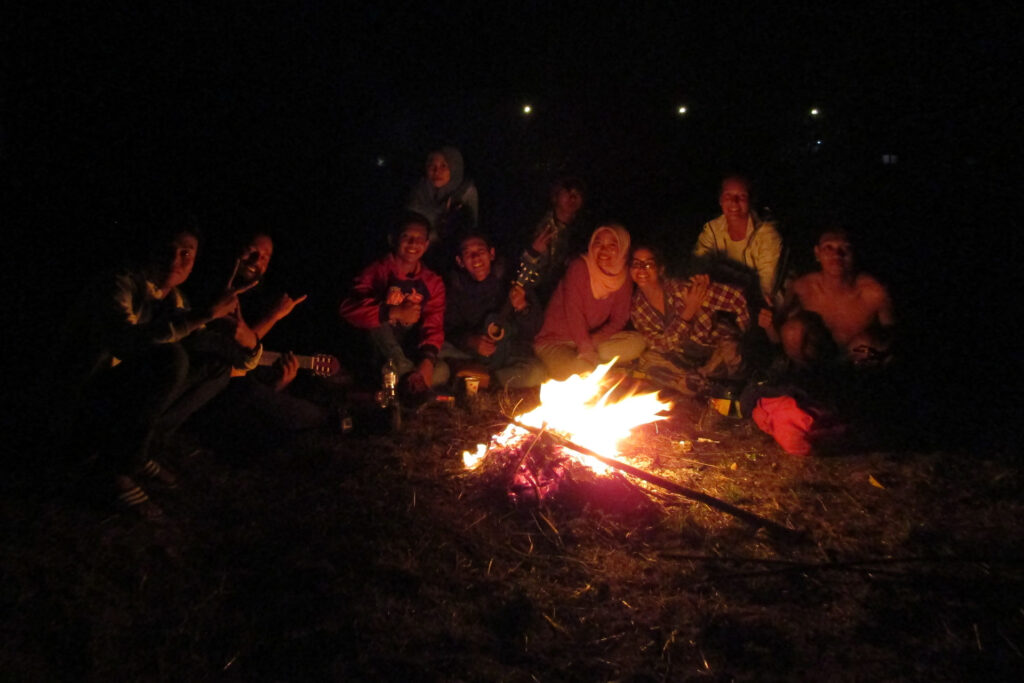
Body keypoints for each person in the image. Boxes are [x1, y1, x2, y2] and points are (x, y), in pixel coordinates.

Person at [57, 219, 241, 518]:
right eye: (169, 250)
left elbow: (199, 339)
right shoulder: (120, 284)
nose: (175, 260)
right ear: (151, 250)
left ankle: (137, 452)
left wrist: (246, 343)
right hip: (82, 401)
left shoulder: (175, 298)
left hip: (115, 402)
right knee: (171, 359)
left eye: (186, 253)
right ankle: (109, 470)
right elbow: (126, 343)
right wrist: (204, 314)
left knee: (216, 367)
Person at [186, 233, 335, 448]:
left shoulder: (257, 297)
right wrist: (273, 316)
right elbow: (232, 348)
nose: (257, 260)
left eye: (265, 257)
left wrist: (279, 383)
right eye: (252, 251)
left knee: (304, 398)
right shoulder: (213, 287)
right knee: (311, 415)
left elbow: (250, 358)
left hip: (236, 383)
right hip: (212, 385)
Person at [339, 213, 449, 395]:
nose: (413, 244)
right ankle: (407, 379)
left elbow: (434, 324)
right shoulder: (376, 271)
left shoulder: (432, 282)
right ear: (393, 239)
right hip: (380, 352)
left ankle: (402, 383)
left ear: (427, 245)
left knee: (442, 370)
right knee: (375, 320)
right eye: (407, 237)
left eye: (420, 239)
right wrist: (393, 312)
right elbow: (347, 309)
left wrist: (427, 361)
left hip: (409, 350)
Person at [629, 244, 750, 394]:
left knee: (732, 351)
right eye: (636, 264)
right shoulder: (638, 308)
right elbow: (661, 345)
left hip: (712, 347)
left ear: (660, 269)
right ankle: (696, 382)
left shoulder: (684, 289)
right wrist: (689, 311)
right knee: (647, 360)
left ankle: (714, 383)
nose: (641, 269)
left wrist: (747, 334)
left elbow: (737, 298)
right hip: (684, 354)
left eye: (648, 264)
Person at [766, 227, 894, 367]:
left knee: (867, 347)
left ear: (854, 254)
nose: (837, 254)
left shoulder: (874, 292)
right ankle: (803, 379)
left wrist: (876, 350)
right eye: (828, 248)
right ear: (817, 253)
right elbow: (779, 327)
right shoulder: (803, 287)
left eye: (845, 248)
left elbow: (893, 335)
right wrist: (769, 323)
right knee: (793, 332)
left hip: (856, 364)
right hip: (815, 361)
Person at [533, 225, 646, 381]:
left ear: (623, 248)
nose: (603, 250)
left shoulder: (624, 276)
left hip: (591, 340)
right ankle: (590, 367)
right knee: (582, 373)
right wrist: (585, 348)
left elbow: (619, 318)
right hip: (555, 341)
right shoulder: (579, 267)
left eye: (611, 245)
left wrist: (593, 341)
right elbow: (574, 313)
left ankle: (595, 364)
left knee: (637, 343)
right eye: (598, 243)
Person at [440, 233, 547, 389]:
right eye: (468, 253)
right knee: (438, 350)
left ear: (491, 254)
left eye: (481, 251)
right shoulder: (455, 287)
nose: (476, 257)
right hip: (470, 352)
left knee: (536, 372)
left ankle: (488, 382)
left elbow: (534, 327)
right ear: (460, 261)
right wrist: (470, 340)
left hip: (506, 352)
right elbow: (448, 327)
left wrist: (523, 307)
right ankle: (472, 375)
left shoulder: (513, 281)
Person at [692, 175, 783, 305]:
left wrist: (720, 272)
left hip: (758, 303)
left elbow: (765, 287)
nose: (734, 202)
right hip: (721, 295)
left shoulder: (767, 234)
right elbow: (698, 265)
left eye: (742, 197)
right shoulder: (713, 229)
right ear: (720, 200)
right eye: (728, 196)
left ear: (751, 201)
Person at [406, 146, 479, 269]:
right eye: (431, 166)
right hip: (418, 252)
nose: (436, 171)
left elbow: (469, 232)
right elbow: (409, 222)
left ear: (454, 167)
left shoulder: (465, 191)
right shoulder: (420, 189)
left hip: (450, 257)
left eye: (443, 166)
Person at [516, 176, 586, 301]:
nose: (573, 198)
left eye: (577, 194)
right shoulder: (536, 224)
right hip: (534, 294)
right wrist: (533, 253)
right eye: (567, 192)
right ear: (555, 196)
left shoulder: (583, 232)